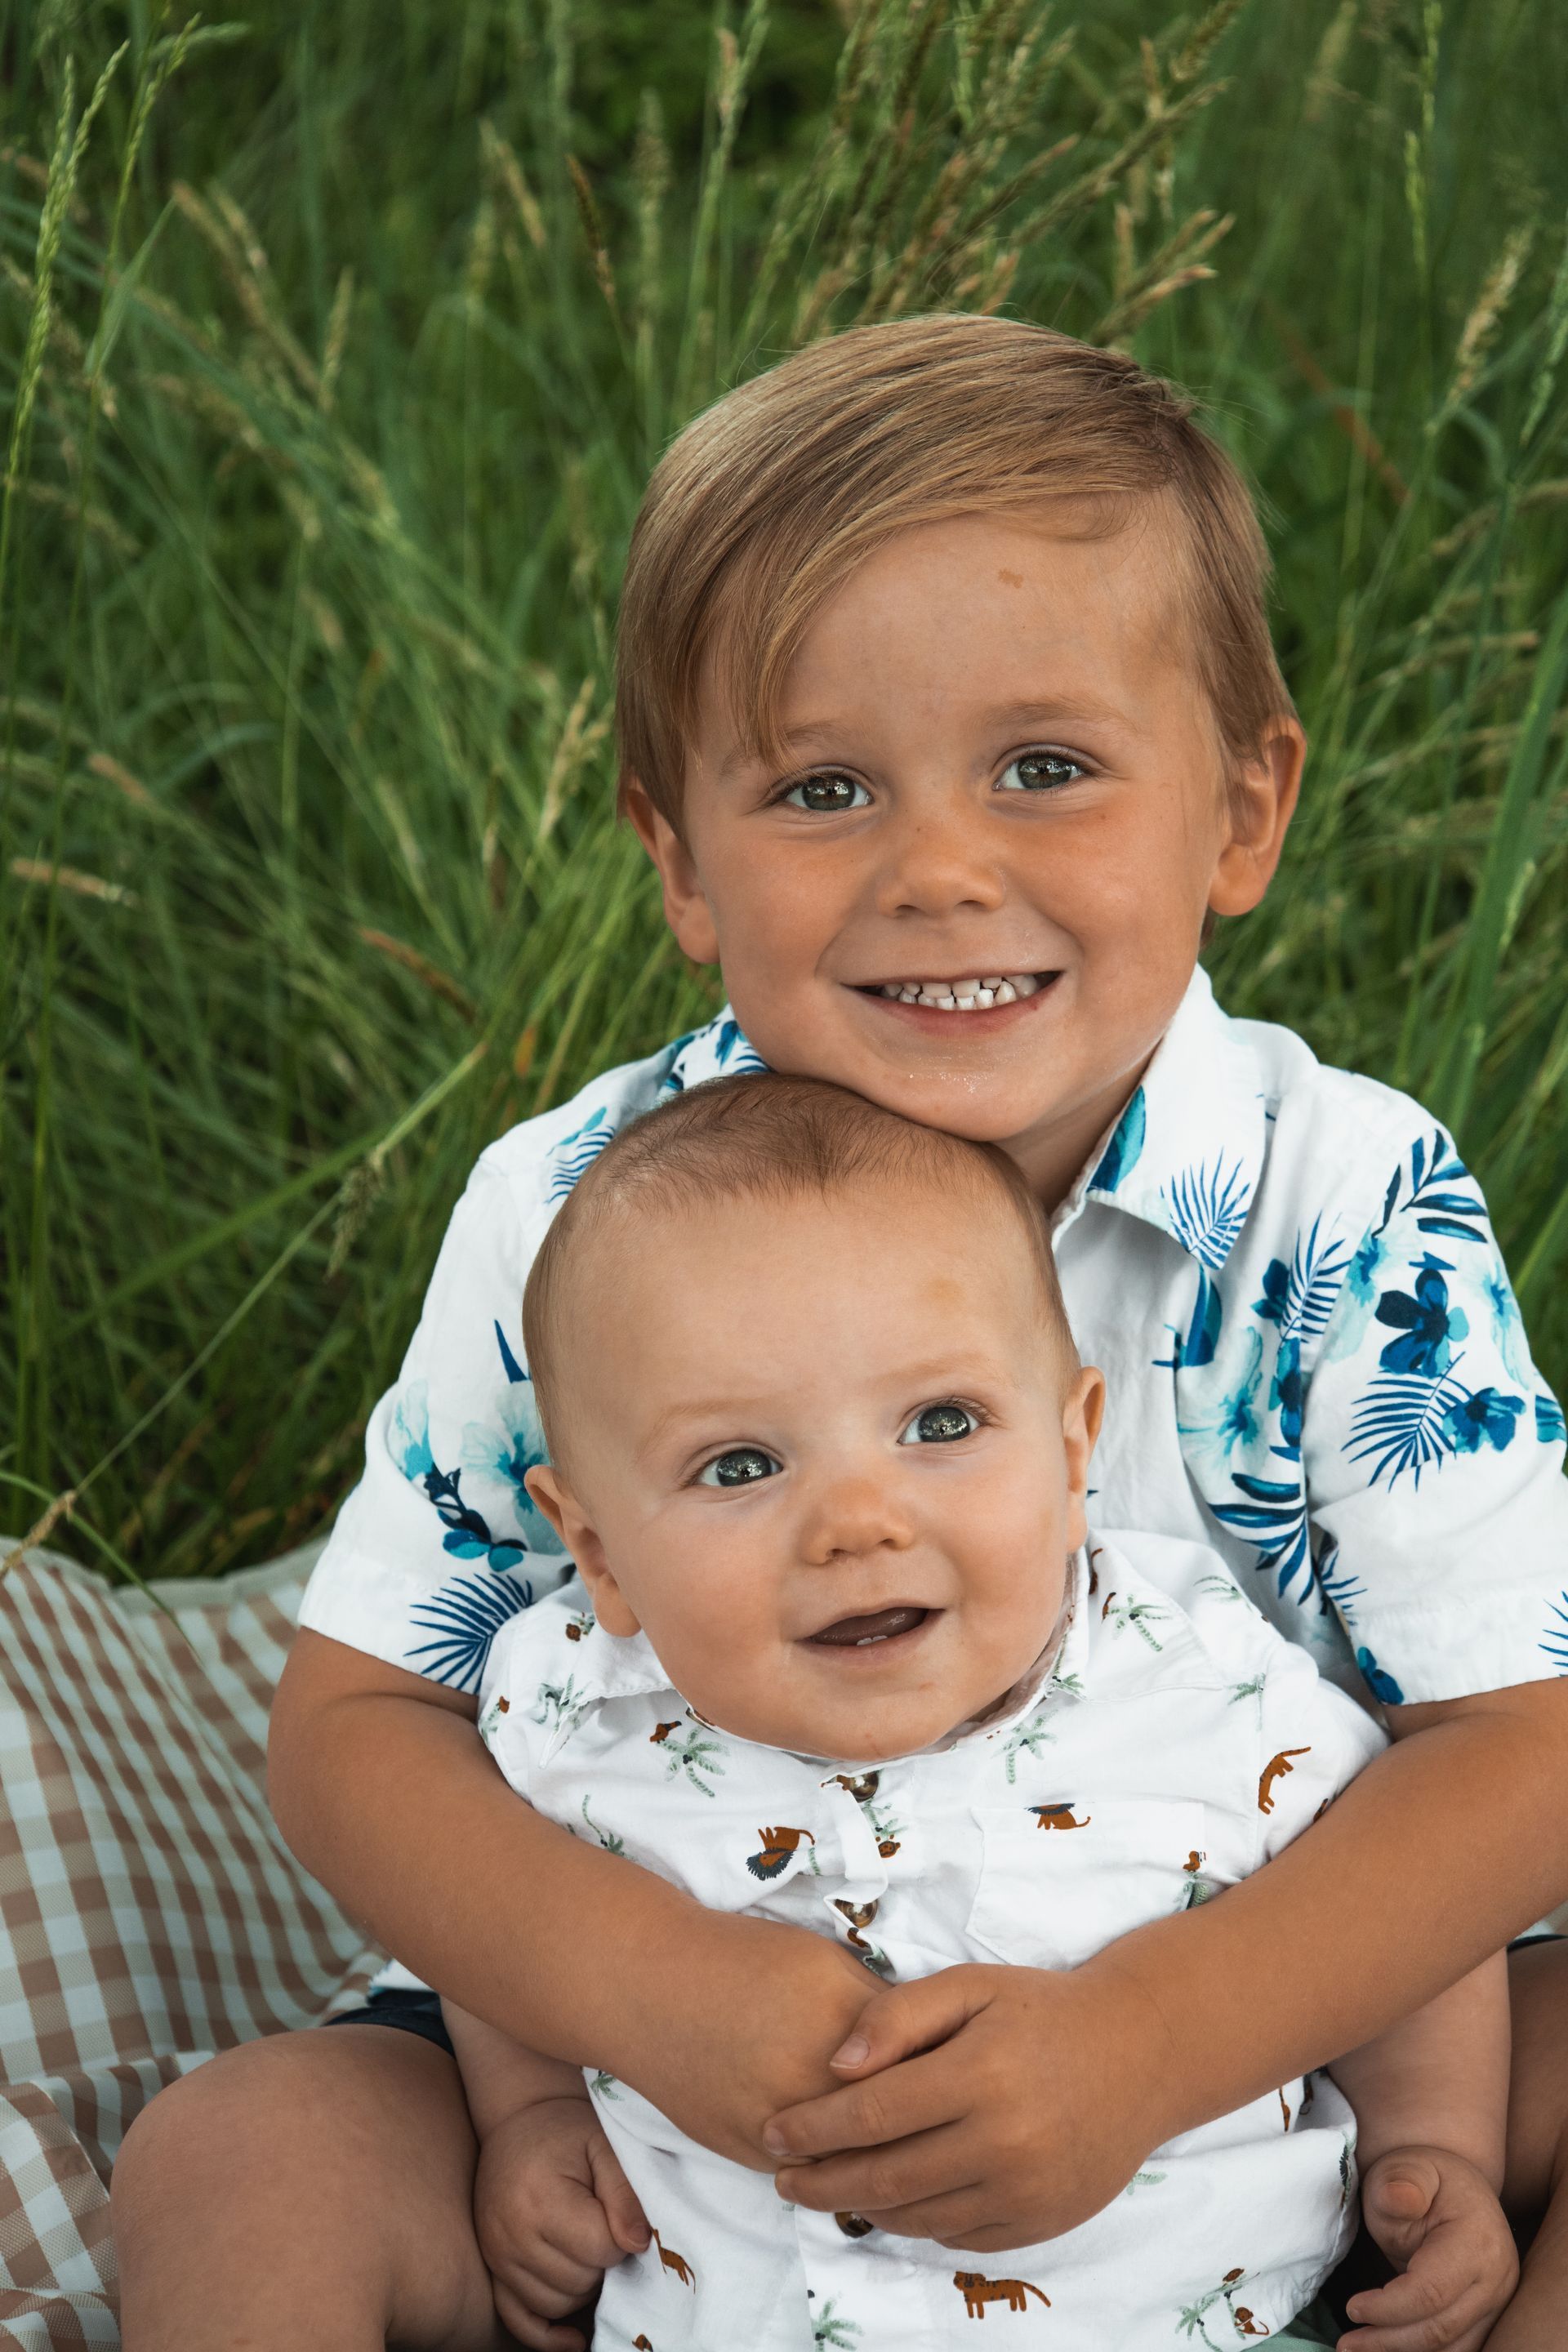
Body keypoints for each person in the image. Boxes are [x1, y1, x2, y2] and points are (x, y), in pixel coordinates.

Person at [111, 315, 1568, 2352]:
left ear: (1243, 810)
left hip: (1282, 2045)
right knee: (232, 2154)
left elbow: (1516, 1743)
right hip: (668, 2098)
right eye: (820, 789)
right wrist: (651, 2005)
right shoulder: (569, 1209)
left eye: (1046, 768)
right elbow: (359, 1732)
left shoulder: (1343, 1204)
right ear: (676, 855)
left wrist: (1154, 2045)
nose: (940, 872)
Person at [448, 1068, 1517, 2352]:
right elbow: (482, 1919)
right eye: (740, 1465)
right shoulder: (575, 1711)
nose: (858, 1522)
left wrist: (1439, 2150)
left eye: (941, 1422)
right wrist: (526, 2119)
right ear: (600, 1547)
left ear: (1075, 1454)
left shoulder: (1209, 1691)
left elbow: (1416, 1910)